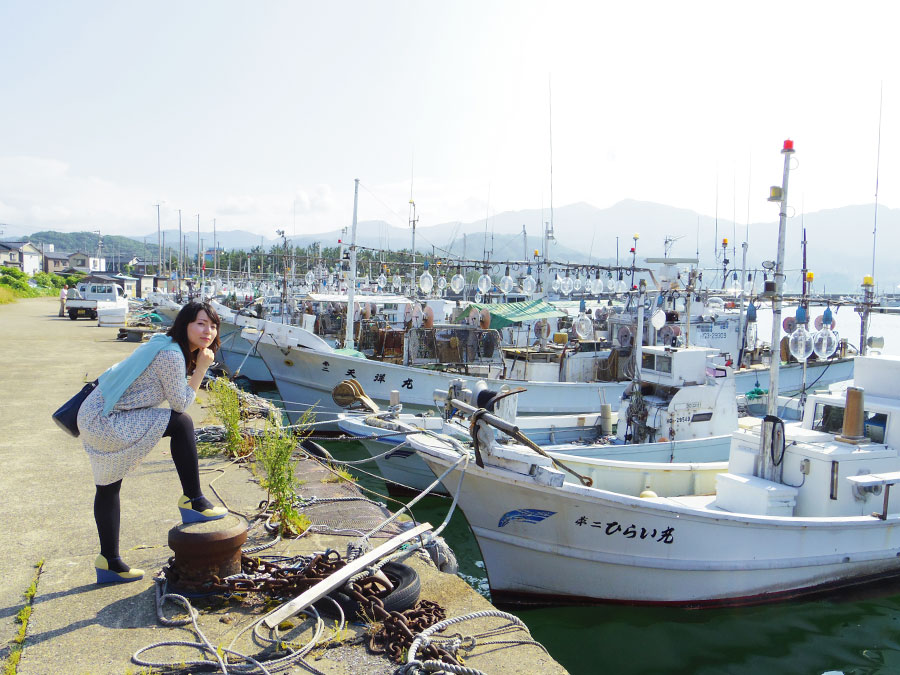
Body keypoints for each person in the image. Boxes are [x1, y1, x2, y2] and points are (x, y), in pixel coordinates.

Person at [77, 301, 226, 583]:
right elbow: (181, 404)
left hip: (98, 413)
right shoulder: (171, 355)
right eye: (201, 323)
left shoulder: (165, 343)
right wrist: (203, 368)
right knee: (181, 423)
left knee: (108, 487)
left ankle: (109, 562)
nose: (208, 330)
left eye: (213, 325)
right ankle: (194, 500)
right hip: (105, 419)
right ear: (185, 325)